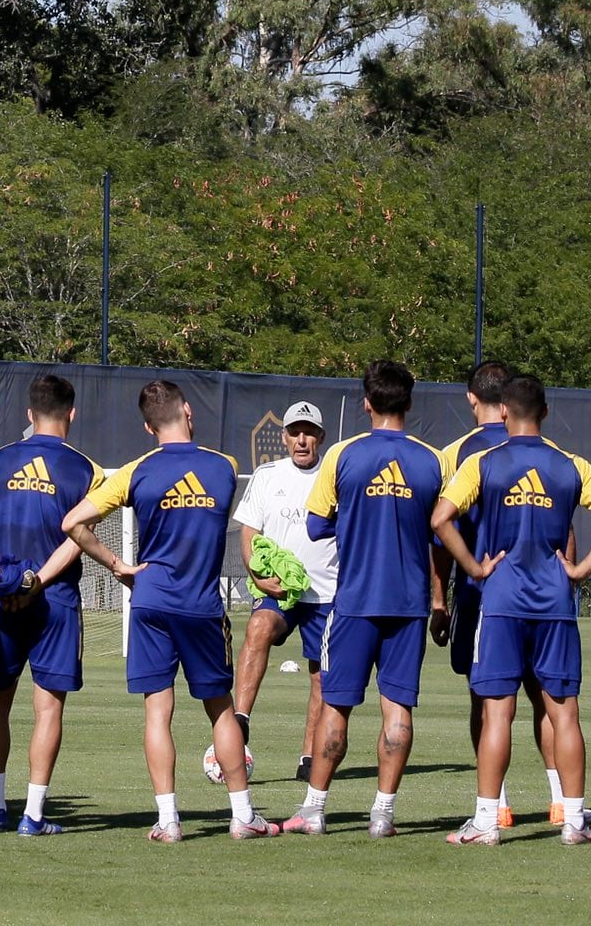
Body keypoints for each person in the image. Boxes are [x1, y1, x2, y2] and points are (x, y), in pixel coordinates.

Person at [63, 379, 280, 843]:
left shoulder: (135, 471)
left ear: (147, 425)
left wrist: (119, 566)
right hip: (201, 606)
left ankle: (168, 821)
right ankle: (243, 816)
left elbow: (72, 522)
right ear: (187, 410)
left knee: (157, 712)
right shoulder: (225, 466)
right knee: (221, 711)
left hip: (150, 601)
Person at [435, 373, 591, 846]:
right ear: (545, 412)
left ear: (503, 411)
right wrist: (580, 569)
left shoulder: (482, 462)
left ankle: (486, 822)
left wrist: (474, 569)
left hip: (499, 603)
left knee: (497, 712)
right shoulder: (571, 465)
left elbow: (440, 519)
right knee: (564, 713)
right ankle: (574, 821)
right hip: (555, 604)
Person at [280, 361, 442, 838]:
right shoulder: (433, 460)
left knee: (336, 704)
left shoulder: (342, 455)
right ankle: (383, 814)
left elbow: (314, 524)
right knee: (398, 708)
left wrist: (355, 520)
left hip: (351, 602)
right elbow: (441, 530)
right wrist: (439, 600)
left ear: (367, 403)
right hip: (409, 606)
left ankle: (314, 810)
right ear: (409, 403)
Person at [431, 360, 570, 825]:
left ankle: (498, 805)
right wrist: (569, 572)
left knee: (488, 698)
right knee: (549, 697)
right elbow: (566, 527)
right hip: (548, 592)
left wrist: (439, 598)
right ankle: (559, 800)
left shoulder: (460, 455)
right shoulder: (552, 452)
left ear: (474, 398)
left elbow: (441, 532)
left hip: (486, 592)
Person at [0, 373, 102, 835]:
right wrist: (36, 582)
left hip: (3, 602)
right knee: (49, 709)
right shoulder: (88, 470)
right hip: (56, 601)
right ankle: (33, 816)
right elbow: (78, 537)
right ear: (72, 413)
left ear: (29, 414)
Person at [225, 399, 335, 786]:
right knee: (258, 628)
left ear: (321, 436)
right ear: (285, 437)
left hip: (326, 592)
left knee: (320, 677)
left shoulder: (336, 474)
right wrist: (256, 573)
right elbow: (249, 531)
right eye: (295, 432)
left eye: (309, 432)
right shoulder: (268, 475)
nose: (302, 439)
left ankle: (308, 756)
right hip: (277, 588)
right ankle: (240, 720)